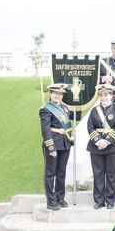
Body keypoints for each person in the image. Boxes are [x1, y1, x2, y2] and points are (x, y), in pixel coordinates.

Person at [87, 84, 115, 209]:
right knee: (98, 174)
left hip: (112, 146)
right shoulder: (94, 110)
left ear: (111, 95)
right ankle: (99, 200)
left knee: (111, 174)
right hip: (96, 146)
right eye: (101, 95)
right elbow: (90, 127)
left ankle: (110, 199)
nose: (104, 98)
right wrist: (99, 141)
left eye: (106, 95)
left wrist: (107, 141)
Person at [39, 83, 74, 211]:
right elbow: (46, 130)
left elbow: (68, 124)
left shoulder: (65, 108)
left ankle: (60, 197)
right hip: (53, 143)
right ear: (51, 94)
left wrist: (71, 137)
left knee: (61, 172)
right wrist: (51, 147)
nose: (58, 96)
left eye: (60, 94)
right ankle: (51, 200)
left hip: (65, 143)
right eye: (55, 93)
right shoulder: (46, 109)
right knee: (50, 173)